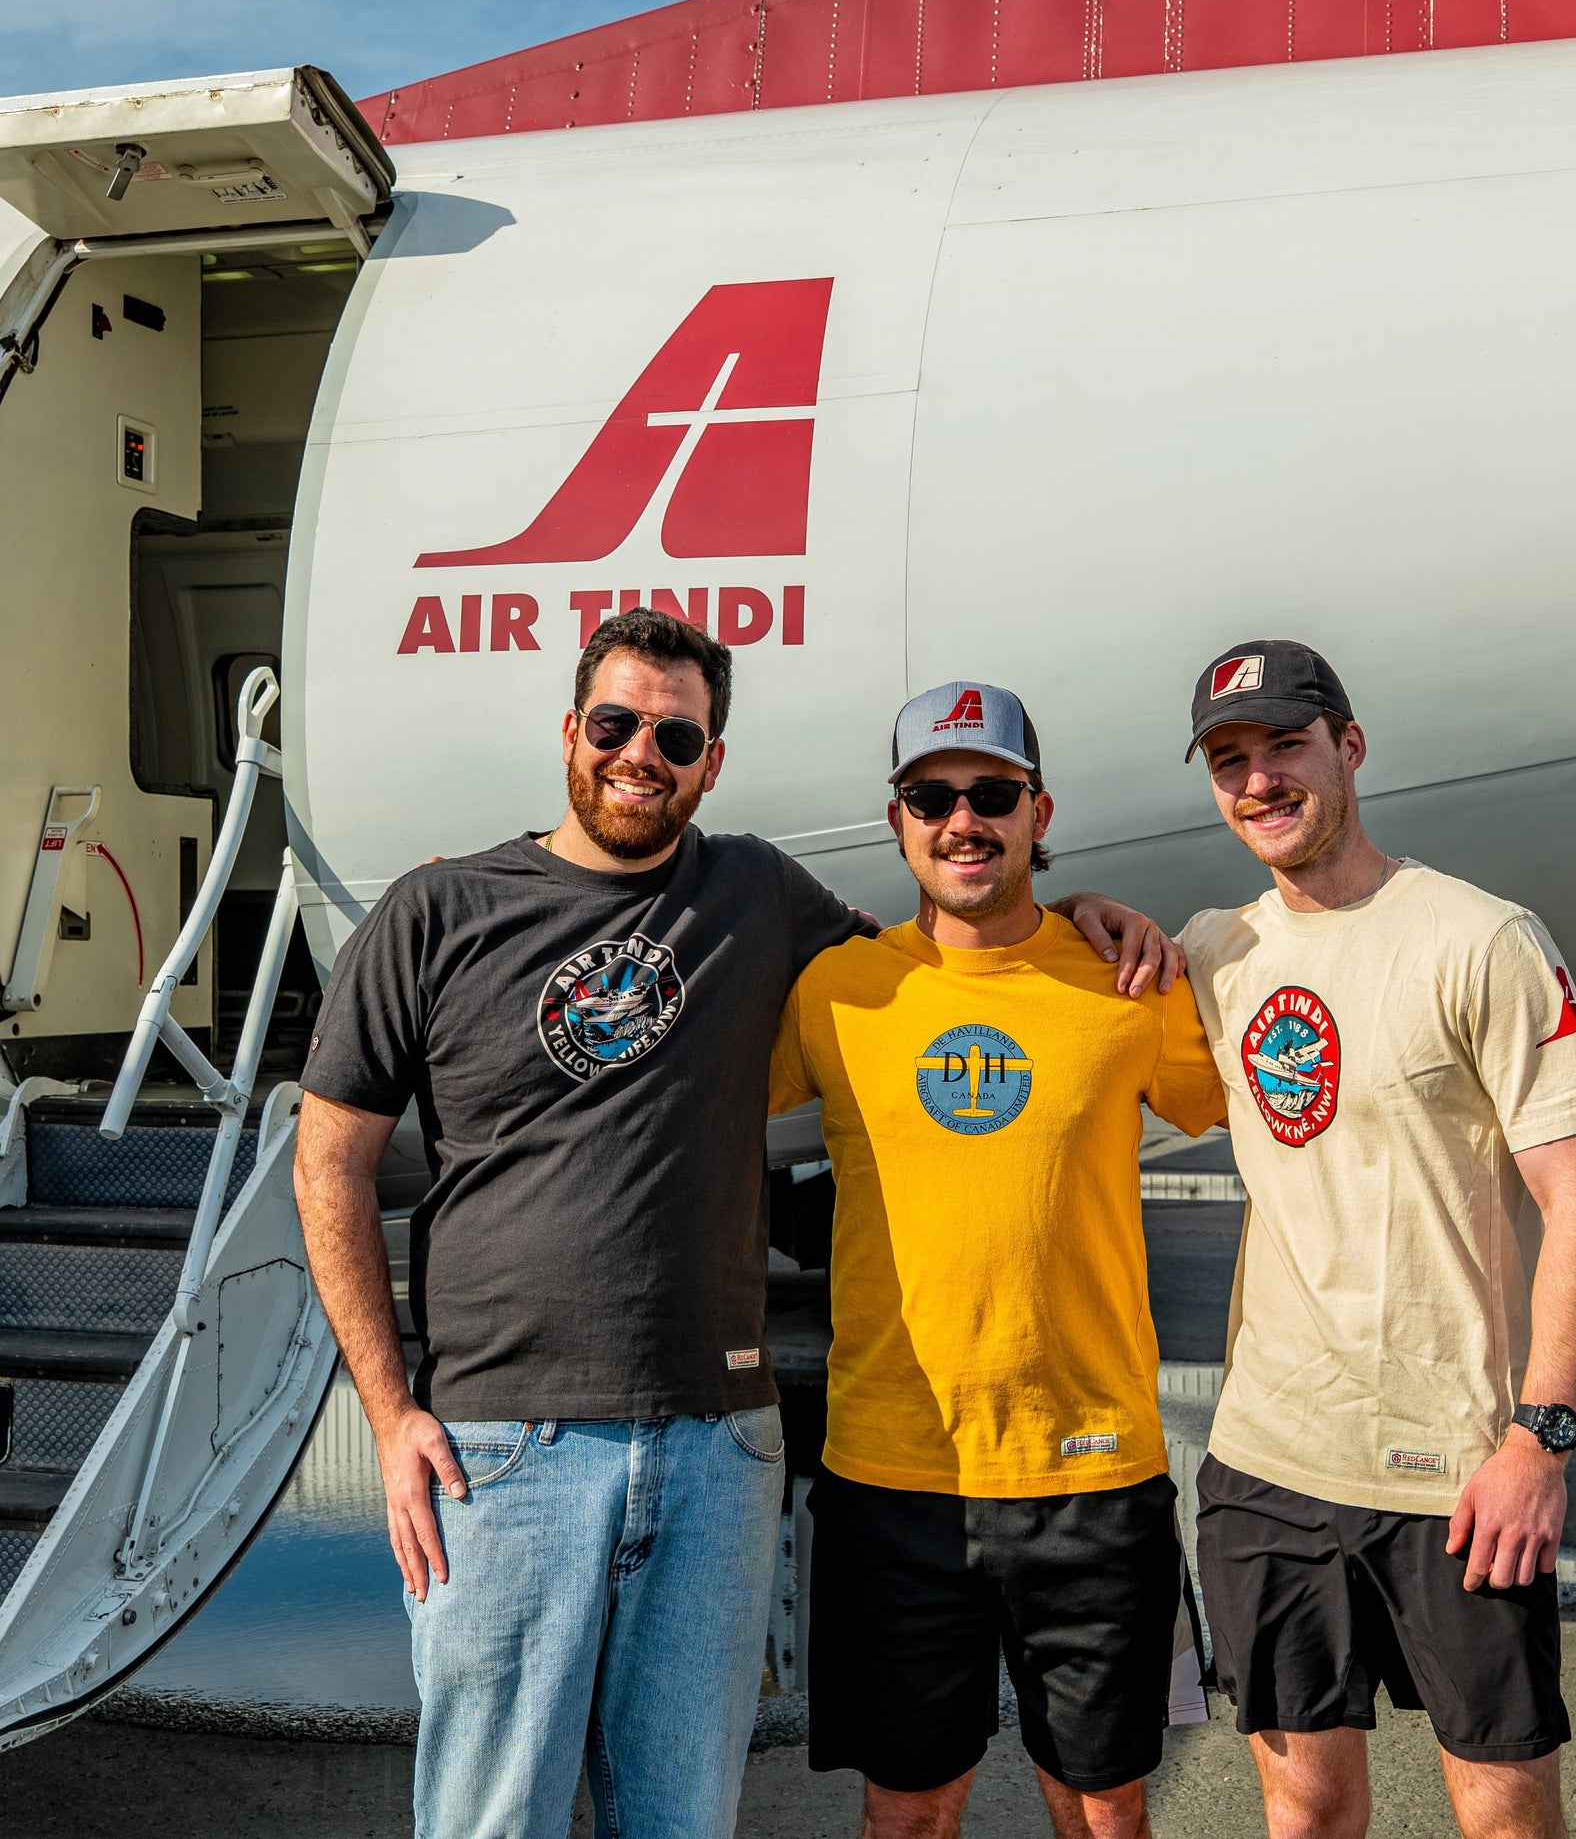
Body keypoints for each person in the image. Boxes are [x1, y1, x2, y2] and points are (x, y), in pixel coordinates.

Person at [292, 611, 1175, 1839]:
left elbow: (942, 963)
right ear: (571, 733)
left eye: (674, 733)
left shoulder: (752, 890)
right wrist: (388, 1414)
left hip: (717, 1449)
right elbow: (327, 1164)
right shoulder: (440, 909)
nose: (638, 751)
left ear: (711, 760)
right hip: (506, 1448)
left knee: (682, 1818)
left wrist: (1079, 911)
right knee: (494, 1817)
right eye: (614, 723)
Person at [1176, 640, 1576, 1839]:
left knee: (1501, 1809)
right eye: (1230, 759)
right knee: (1306, 1808)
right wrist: (1086, 910)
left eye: (1285, 745)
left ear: (1348, 745)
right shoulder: (1217, 954)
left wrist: (1540, 1436)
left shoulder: (1479, 937)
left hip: (1454, 1468)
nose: (1259, 780)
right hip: (1268, 1460)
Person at [769, 679, 1227, 1839]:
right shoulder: (835, 990)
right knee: (910, 1809)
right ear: (897, 819)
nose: (961, 818)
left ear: (1038, 810)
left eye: (991, 793)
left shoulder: (1129, 984)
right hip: (891, 1476)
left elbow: (1289, 1112)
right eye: (932, 794)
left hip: (1089, 1473)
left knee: (1104, 1811)